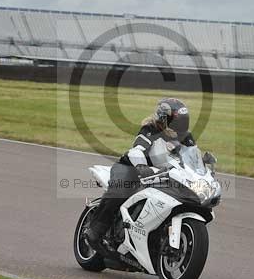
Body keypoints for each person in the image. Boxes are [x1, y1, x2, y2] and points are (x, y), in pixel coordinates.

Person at [84, 97, 196, 253]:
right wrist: (142, 166)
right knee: (119, 191)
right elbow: (137, 150)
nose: (180, 125)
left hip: (163, 174)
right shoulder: (150, 129)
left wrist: (201, 168)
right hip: (131, 168)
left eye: (183, 121)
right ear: (164, 119)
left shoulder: (186, 137)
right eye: (177, 121)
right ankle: (94, 232)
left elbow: (191, 158)